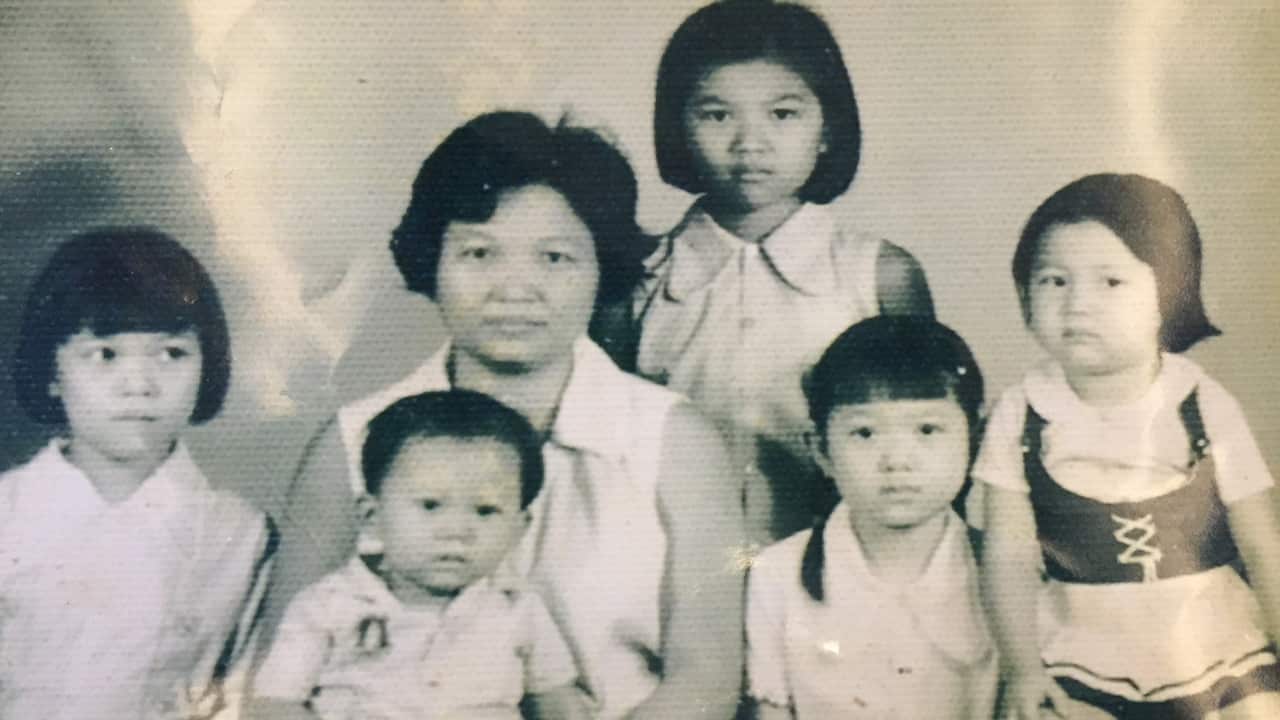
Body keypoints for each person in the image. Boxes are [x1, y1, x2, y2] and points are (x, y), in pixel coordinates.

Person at [265, 112, 744, 719]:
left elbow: (706, 681)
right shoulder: (351, 439)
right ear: (432, 261)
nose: (514, 288)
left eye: (554, 258)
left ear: (603, 267)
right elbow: (274, 682)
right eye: (479, 253)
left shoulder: (673, 438)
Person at [978, 173, 1280, 719]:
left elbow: (1264, 545)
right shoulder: (1019, 413)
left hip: (1212, 639)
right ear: (1024, 296)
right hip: (1082, 647)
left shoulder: (1203, 403)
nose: (1077, 305)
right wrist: (1024, 668)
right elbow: (1008, 556)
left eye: (1110, 282)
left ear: (1169, 295)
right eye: (1054, 281)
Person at [633, 0, 934, 544]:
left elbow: (932, 435)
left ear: (827, 130)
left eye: (783, 114)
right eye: (717, 115)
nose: (750, 143)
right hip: (674, 556)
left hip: (840, 558)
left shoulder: (880, 276)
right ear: (678, 128)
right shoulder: (640, 278)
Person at [1, 228, 274, 719]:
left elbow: (243, 697)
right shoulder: (8, 512)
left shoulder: (239, 535)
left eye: (171, 354)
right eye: (105, 354)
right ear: (52, 372)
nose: (140, 385)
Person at [249, 390, 587, 719]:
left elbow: (558, 702)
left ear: (518, 528)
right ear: (372, 516)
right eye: (430, 505)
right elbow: (274, 705)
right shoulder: (327, 605)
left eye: (485, 511)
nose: (456, 531)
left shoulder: (519, 610)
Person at [746, 316, 996, 719]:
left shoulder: (1005, 572)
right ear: (821, 450)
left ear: (976, 439)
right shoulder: (776, 574)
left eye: (927, 430)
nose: (896, 461)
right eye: (864, 433)